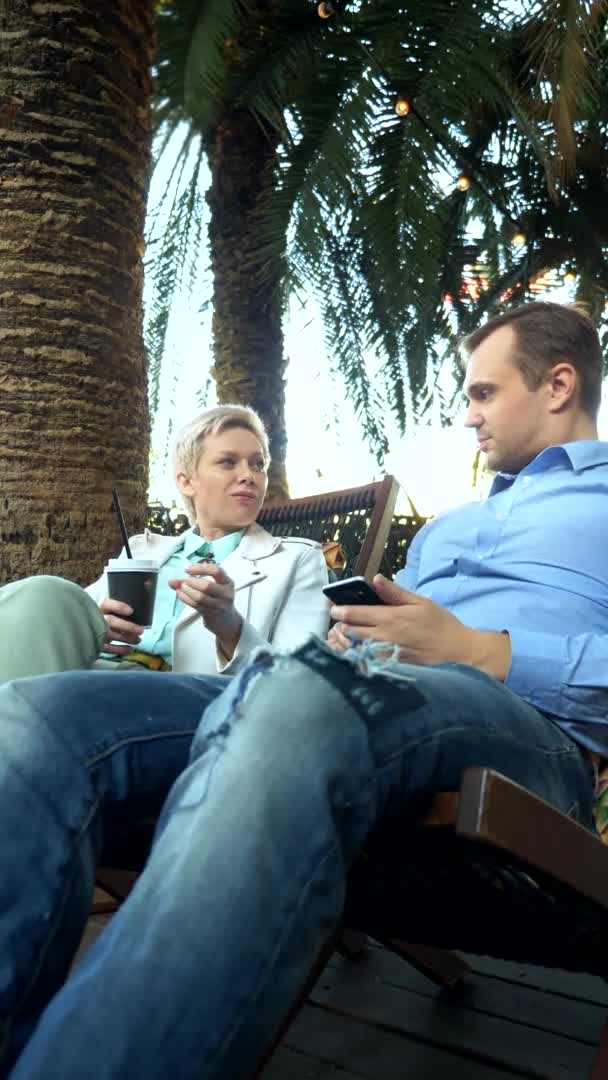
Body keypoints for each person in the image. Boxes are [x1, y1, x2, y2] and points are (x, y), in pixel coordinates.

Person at [1, 300, 607, 1079]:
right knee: (39, 713)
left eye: (484, 394)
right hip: (353, 695)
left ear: (558, 384)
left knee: (300, 697)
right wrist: (348, 638)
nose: (467, 416)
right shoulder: (452, 527)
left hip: (523, 731)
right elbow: (347, 639)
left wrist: (479, 650)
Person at [0, 405, 329, 684]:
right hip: (92, 677)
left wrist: (230, 626)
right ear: (186, 481)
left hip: (182, 700)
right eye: (228, 462)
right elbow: (63, 623)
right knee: (41, 595)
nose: (249, 475)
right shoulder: (143, 550)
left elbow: (300, 681)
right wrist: (96, 625)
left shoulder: (296, 560)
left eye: (258, 464)